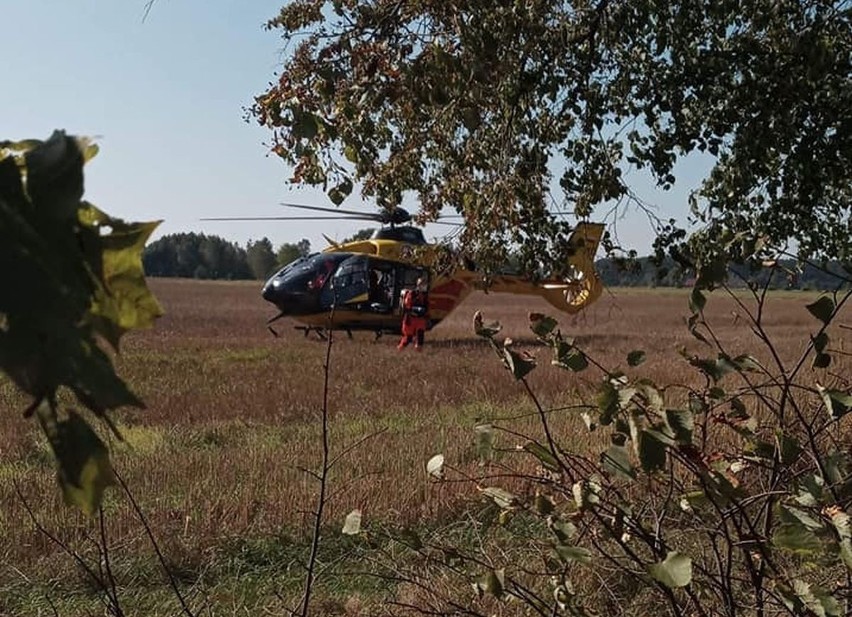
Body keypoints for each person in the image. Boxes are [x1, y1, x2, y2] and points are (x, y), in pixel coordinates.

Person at [398, 277, 429, 351]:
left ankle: (418, 355)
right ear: (418, 285)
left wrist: (424, 312)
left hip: (420, 319)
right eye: (422, 284)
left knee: (420, 338)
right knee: (408, 338)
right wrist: (417, 309)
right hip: (410, 319)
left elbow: (427, 307)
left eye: (425, 285)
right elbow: (408, 306)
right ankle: (399, 350)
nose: (424, 286)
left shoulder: (425, 296)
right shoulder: (411, 294)